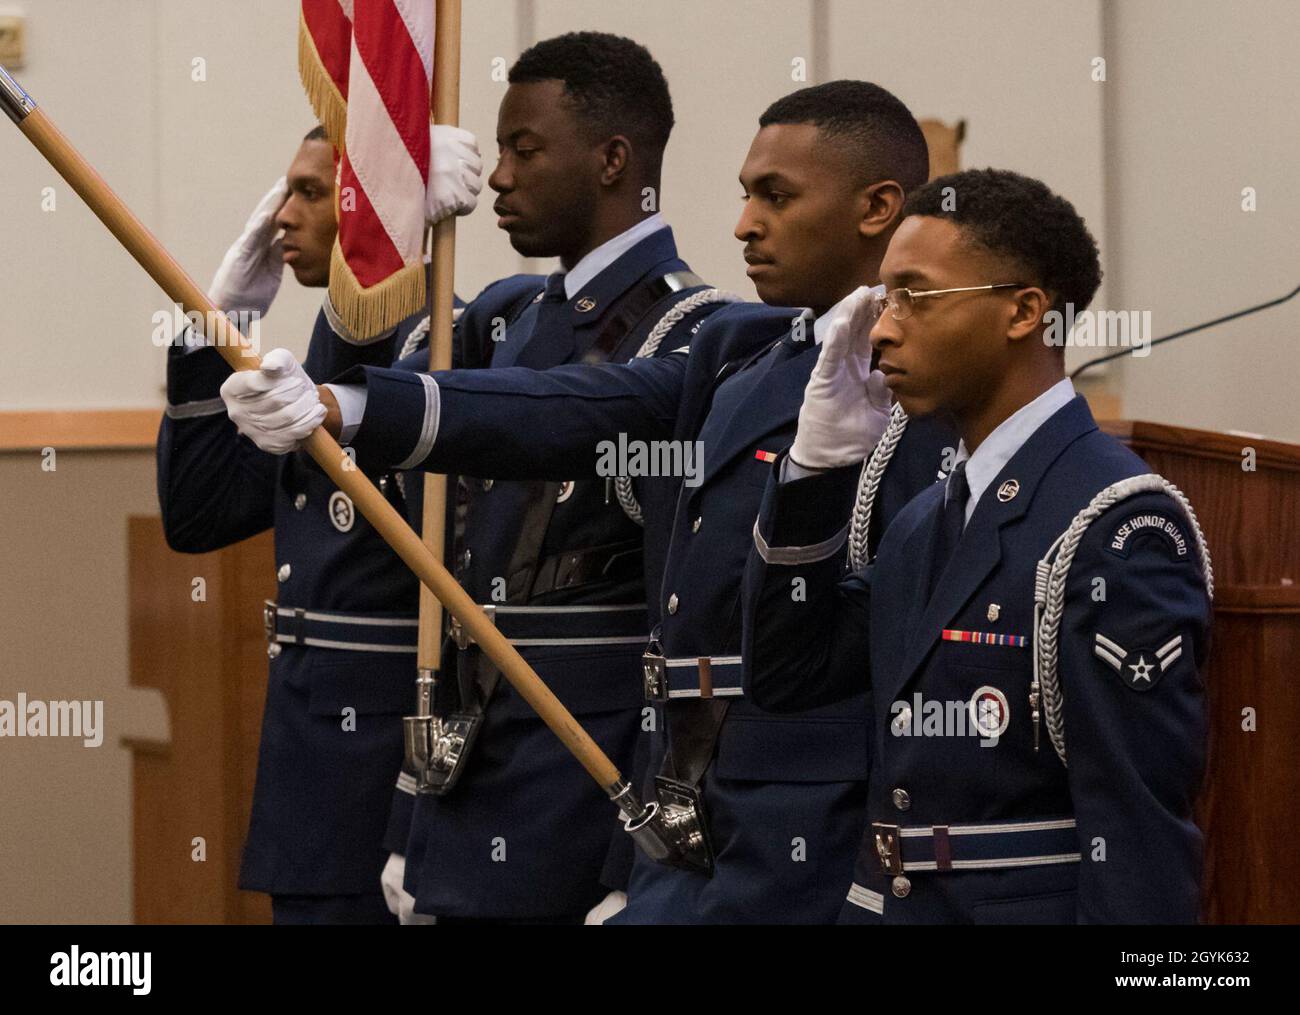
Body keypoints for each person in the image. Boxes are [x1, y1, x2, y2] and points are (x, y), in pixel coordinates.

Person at [222, 81, 954, 924]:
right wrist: (346, 406)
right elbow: (573, 409)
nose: (744, 224)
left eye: (776, 197)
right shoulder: (740, 348)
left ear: (878, 207)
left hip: (820, 834)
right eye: (746, 195)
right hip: (689, 823)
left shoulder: (931, 383)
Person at [741, 168, 1213, 923]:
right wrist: (814, 472)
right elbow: (787, 674)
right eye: (883, 298)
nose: (884, 328)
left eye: (915, 297)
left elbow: (1134, 827)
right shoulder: (927, 518)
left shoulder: (1114, 524)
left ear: (1024, 311)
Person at [157, 123, 480, 924]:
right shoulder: (323, 359)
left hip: (398, 775)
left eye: (310, 193)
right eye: (287, 192)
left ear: (375, 209)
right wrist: (216, 329)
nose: (282, 219)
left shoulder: (444, 349)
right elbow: (200, 514)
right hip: (310, 770)